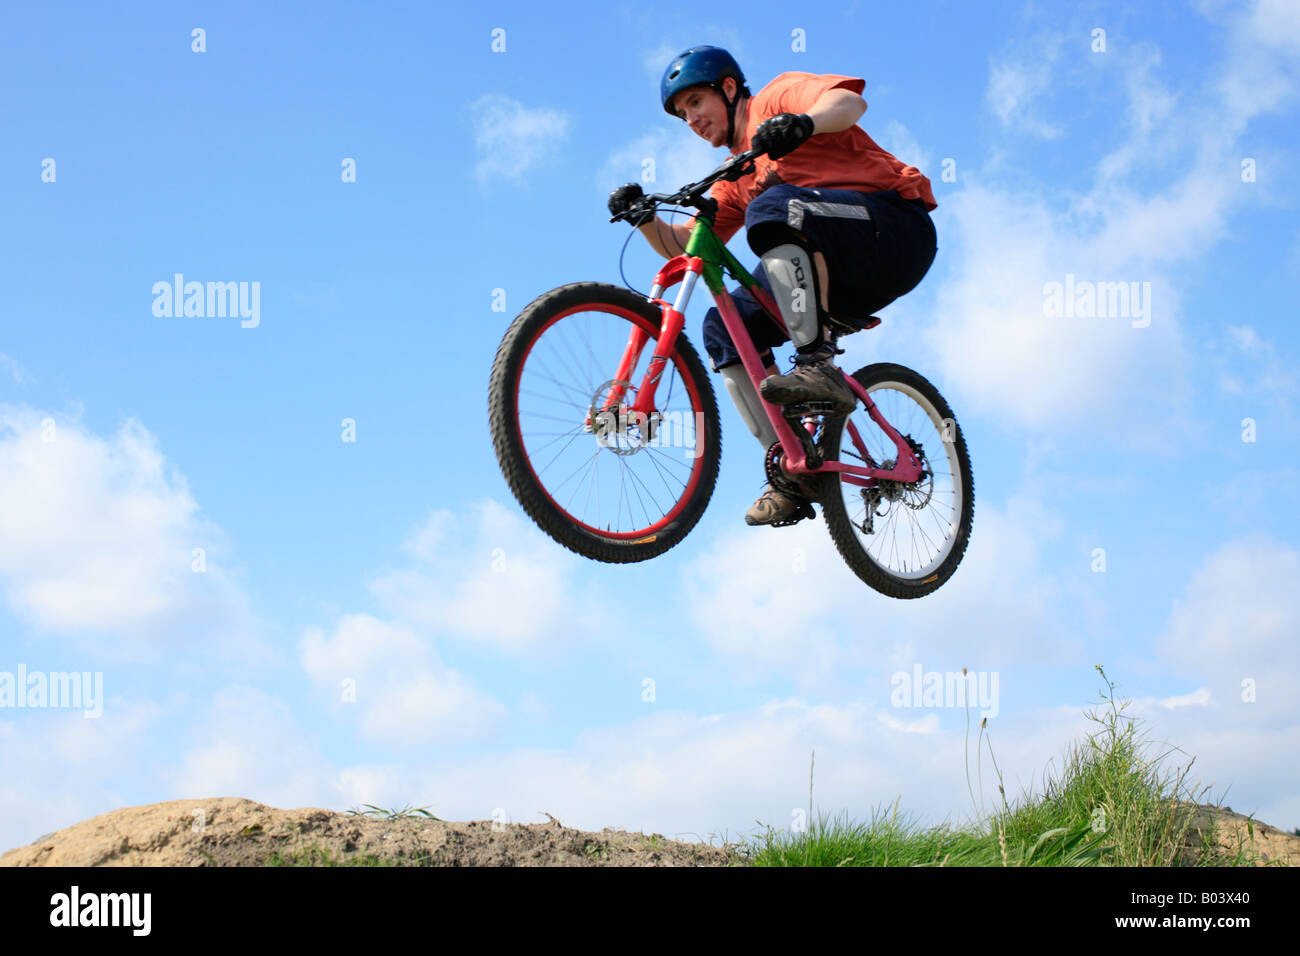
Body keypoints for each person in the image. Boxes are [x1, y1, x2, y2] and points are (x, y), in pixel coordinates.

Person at [608, 45, 938, 527]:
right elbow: (683, 246)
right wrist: (645, 219)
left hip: (894, 230)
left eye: (695, 103)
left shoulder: (776, 99)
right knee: (724, 325)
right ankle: (792, 469)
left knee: (777, 208)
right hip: (836, 267)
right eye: (682, 116)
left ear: (727, 89)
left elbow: (848, 104)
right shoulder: (738, 176)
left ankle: (816, 365)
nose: (691, 120)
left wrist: (802, 123)